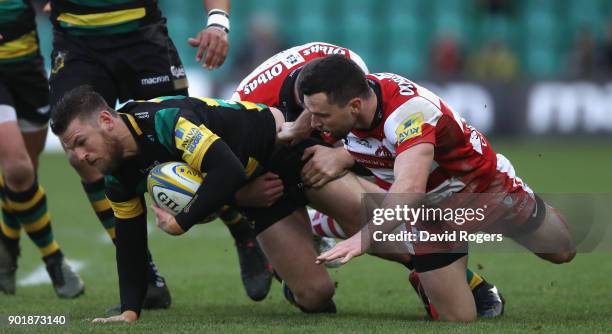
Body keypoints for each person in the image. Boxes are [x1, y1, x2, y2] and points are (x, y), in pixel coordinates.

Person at [50, 87, 407, 323]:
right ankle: (299, 261)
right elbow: (129, 242)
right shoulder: (117, 175)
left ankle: (443, 270)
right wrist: (129, 311)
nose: (79, 156)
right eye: (70, 150)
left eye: (81, 142)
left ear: (107, 121)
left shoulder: (163, 121)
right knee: (315, 296)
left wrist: (181, 222)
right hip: (257, 193)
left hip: (289, 154)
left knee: (388, 236)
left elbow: (226, 168)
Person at [232, 42, 505, 318]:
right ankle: (283, 242)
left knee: (384, 225)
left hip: (309, 160)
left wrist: (342, 157)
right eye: (308, 111)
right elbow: (205, 184)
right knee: (316, 296)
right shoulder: (240, 115)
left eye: (318, 112)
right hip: (263, 185)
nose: (313, 120)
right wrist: (241, 195)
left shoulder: (339, 63)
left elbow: (368, 128)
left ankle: (450, 280)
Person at [296, 55, 576, 322]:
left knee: (562, 251)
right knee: (459, 318)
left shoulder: (409, 114)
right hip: (431, 217)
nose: (313, 122)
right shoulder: (354, 99)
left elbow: (409, 187)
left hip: (484, 191)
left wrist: (362, 239)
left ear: (354, 106)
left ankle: (317, 225)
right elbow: (380, 146)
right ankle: (420, 274)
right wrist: (312, 142)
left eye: (320, 115)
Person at [46, 0, 271, 304]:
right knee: (81, 153)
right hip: (76, 44)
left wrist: (218, 21)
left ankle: (239, 227)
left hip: (142, 37)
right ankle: (147, 276)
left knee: (179, 147)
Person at [0, 0, 84, 299]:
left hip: (27, 65)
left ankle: (7, 243)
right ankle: (53, 259)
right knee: (17, 168)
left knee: (25, 173)